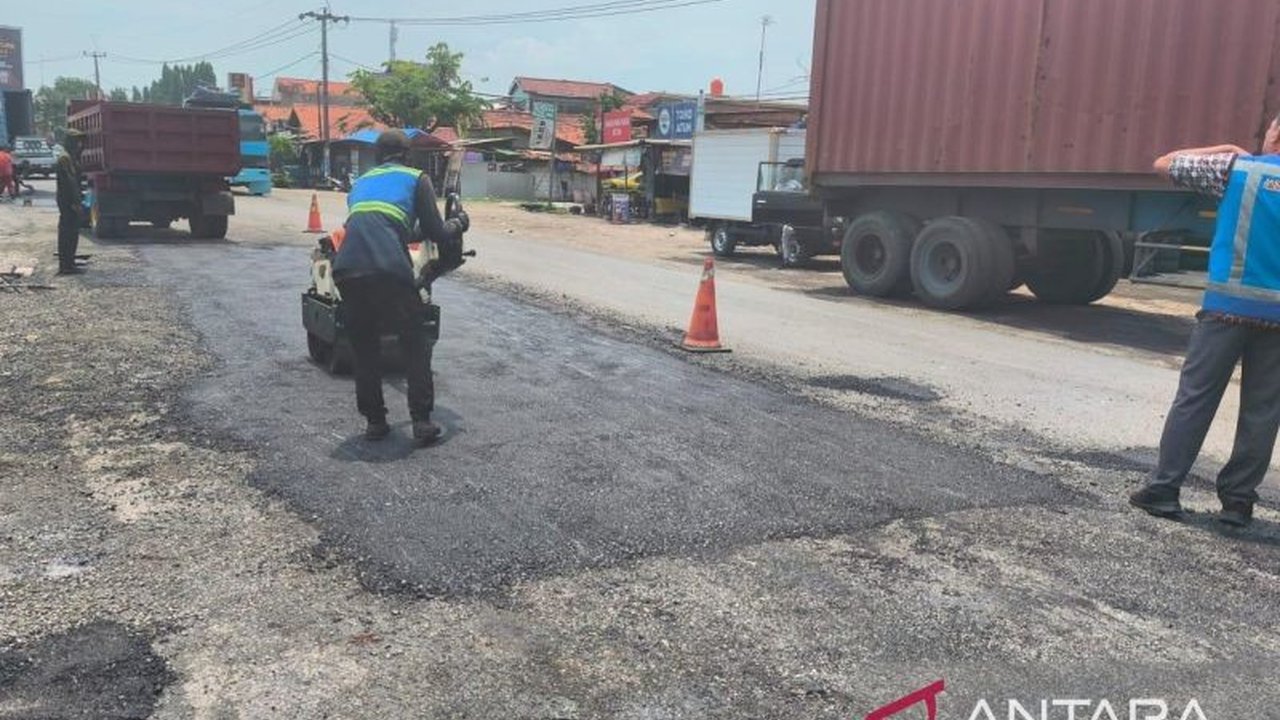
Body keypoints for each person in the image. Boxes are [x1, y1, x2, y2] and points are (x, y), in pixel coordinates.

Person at [1129, 117, 1280, 527]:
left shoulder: (1235, 170)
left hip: (1226, 310)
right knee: (1263, 411)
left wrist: (1227, 148)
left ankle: (1163, 489)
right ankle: (1238, 503)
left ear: (1275, 135)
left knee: (1196, 398)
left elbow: (1164, 163)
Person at [332, 130, 469, 446]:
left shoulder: (362, 183)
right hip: (388, 271)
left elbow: (387, 227)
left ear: (377, 156)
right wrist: (459, 223)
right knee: (415, 343)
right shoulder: (415, 178)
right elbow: (437, 231)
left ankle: (375, 422)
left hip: (347, 269)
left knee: (365, 349)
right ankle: (421, 421)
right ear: (408, 155)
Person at [55, 129, 86, 275]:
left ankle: (69, 262)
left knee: (72, 232)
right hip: (68, 201)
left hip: (68, 200)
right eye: (77, 141)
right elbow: (71, 182)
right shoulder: (65, 158)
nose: (79, 144)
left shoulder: (71, 157)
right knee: (68, 233)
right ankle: (66, 265)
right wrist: (76, 202)